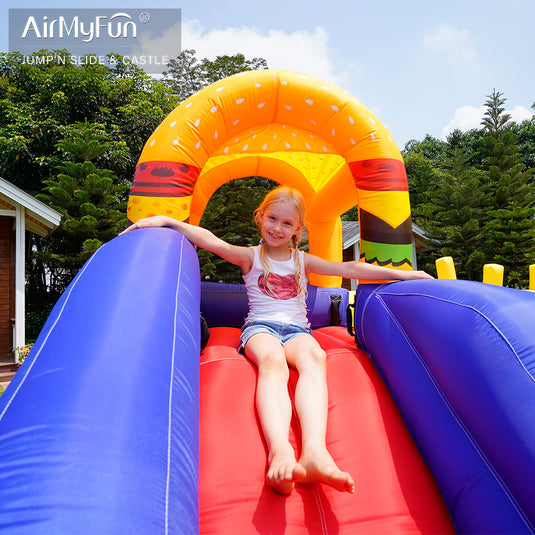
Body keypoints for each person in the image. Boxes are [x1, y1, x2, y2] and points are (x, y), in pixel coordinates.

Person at [121, 186, 433, 495]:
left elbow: (349, 268)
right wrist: (165, 219)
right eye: (272, 218)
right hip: (260, 327)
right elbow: (210, 240)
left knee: (315, 358)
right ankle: (280, 450)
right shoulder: (250, 257)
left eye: (287, 223)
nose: (277, 228)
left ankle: (314, 451)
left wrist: (406, 276)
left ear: (299, 229)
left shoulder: (302, 261)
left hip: (298, 331)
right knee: (272, 362)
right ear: (260, 217)